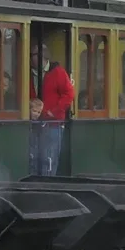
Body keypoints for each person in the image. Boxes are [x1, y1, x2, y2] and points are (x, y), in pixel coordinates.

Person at [29, 45, 74, 177]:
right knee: (33, 158)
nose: (30, 58)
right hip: (34, 122)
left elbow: (69, 94)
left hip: (53, 124)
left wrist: (53, 112)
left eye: (32, 55)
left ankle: (46, 184)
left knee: (48, 159)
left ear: (41, 56)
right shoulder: (29, 73)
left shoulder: (58, 72)